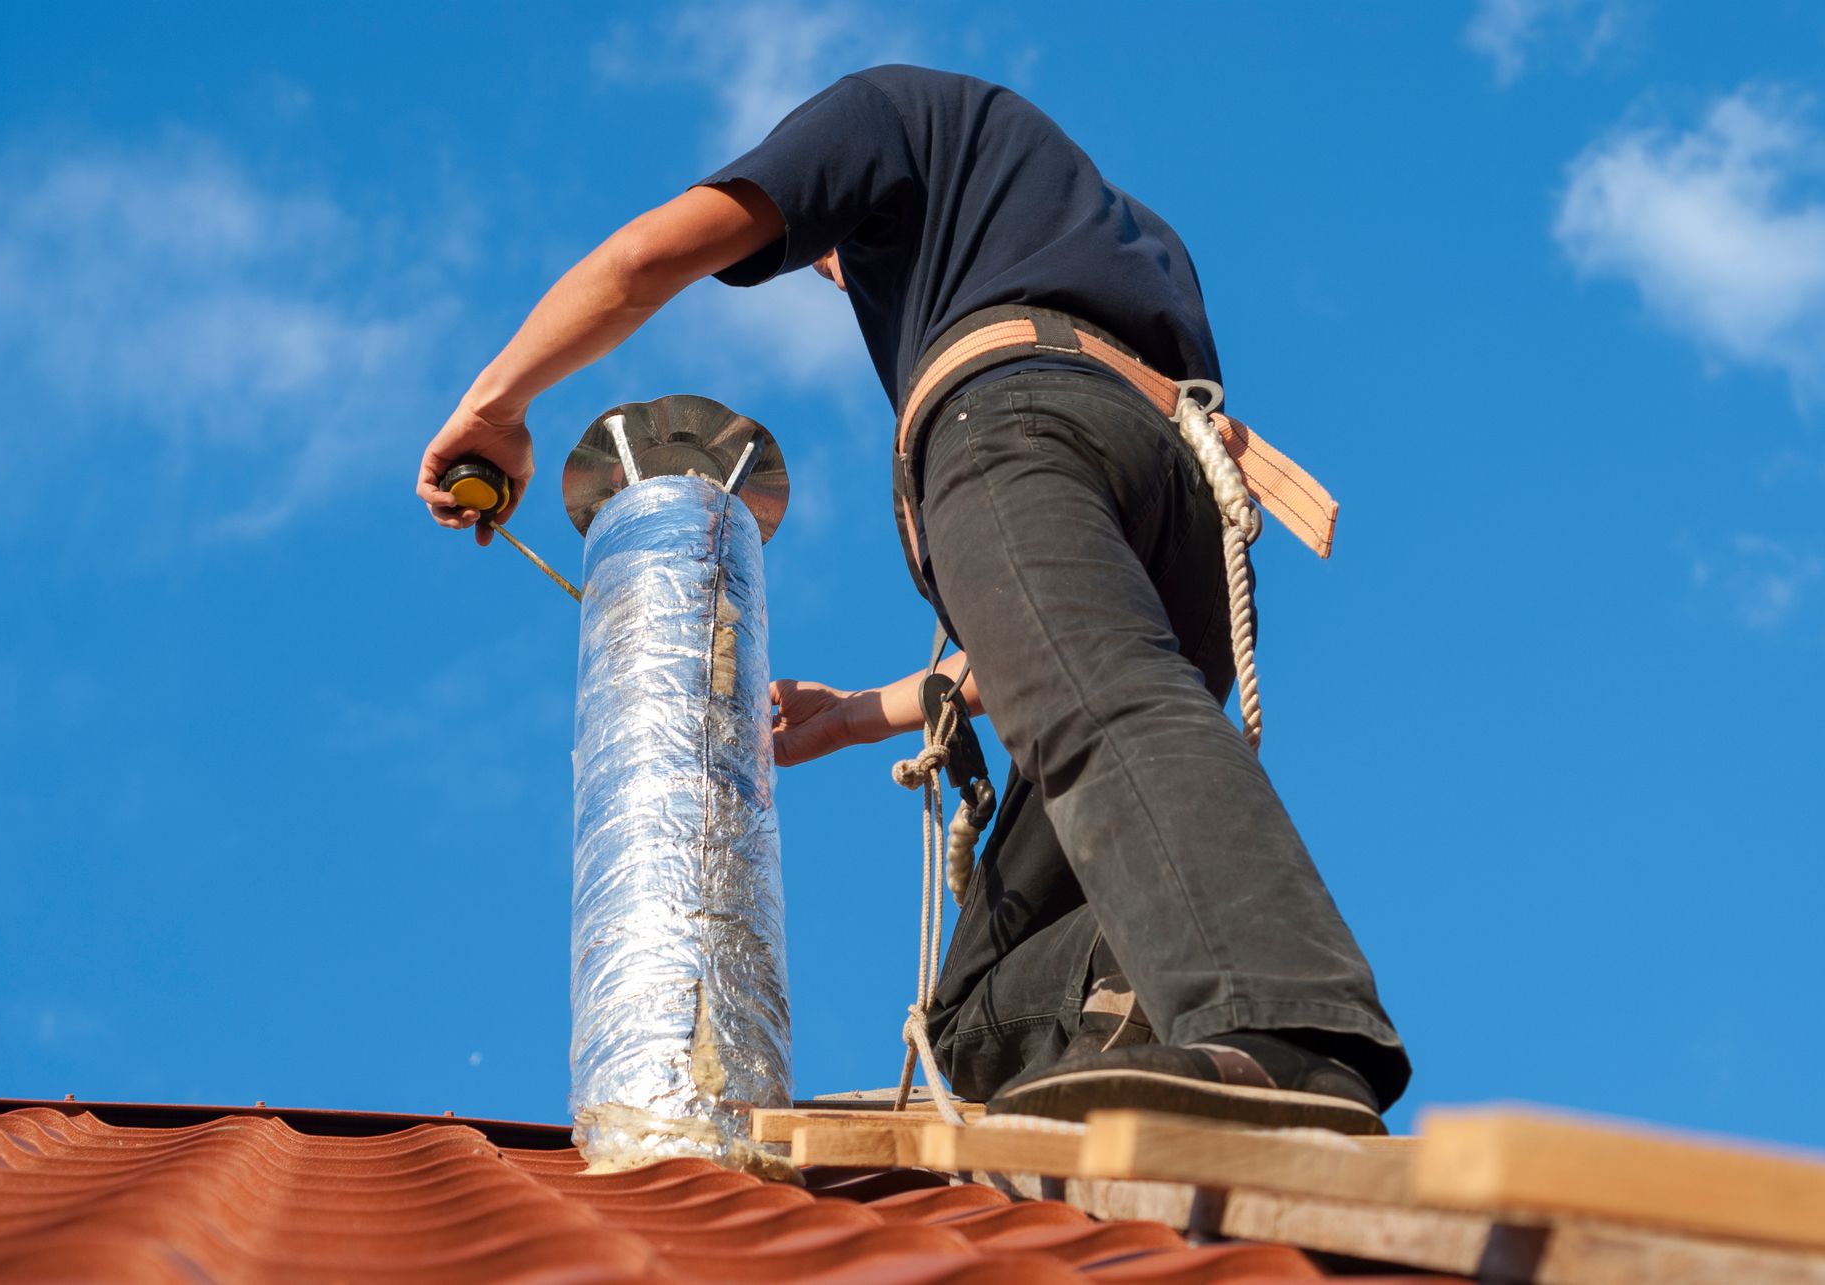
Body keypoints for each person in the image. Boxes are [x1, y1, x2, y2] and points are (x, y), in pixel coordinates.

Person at [417, 65, 1410, 1132]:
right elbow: (1080, 631)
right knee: (977, 1013)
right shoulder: (1121, 237)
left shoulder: (890, 118)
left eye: (822, 261)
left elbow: (646, 257)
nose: (831, 279)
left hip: (1017, 422)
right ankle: (1159, 1005)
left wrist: (497, 403)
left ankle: (1287, 1033)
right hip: (1184, 499)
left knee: (1105, 718)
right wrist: (861, 714)